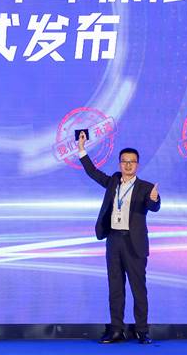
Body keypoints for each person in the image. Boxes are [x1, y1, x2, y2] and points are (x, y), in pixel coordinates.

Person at [78, 132, 160, 344]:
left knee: (138, 289)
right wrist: (82, 150)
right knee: (115, 287)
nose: (128, 165)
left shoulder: (146, 187)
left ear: (137, 165)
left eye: (132, 162)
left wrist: (154, 199)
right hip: (114, 240)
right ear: (120, 163)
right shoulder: (113, 182)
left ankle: (142, 331)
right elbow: (93, 173)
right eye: (124, 161)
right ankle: (116, 330)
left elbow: (154, 206)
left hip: (134, 243)